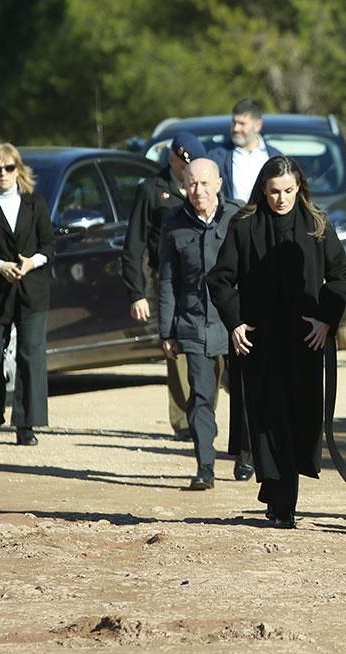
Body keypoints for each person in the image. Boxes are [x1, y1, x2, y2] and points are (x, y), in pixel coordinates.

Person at [207, 156, 346, 528]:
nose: (281, 199)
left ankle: (277, 494)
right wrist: (235, 322)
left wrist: (326, 320)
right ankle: (283, 503)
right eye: (274, 192)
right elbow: (220, 279)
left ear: (299, 188)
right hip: (260, 341)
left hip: (306, 341)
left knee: (299, 419)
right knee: (269, 419)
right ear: (263, 190)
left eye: (289, 190)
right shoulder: (243, 226)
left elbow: (340, 278)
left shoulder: (318, 225)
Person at [159, 158, 240, 490]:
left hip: (235, 322)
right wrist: (167, 331)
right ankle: (205, 465)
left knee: (244, 394)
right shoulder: (174, 224)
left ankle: (246, 452)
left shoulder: (238, 218)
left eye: (205, 183)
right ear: (184, 186)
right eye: (192, 184)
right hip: (193, 322)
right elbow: (166, 282)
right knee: (200, 397)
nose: (198, 190)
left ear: (219, 184)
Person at [122, 130, 206, 442]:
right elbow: (134, 245)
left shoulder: (205, 185)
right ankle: (184, 422)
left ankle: (204, 410)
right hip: (166, 279)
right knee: (177, 348)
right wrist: (137, 292)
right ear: (172, 160)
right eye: (185, 166)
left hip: (202, 279)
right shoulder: (152, 190)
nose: (190, 172)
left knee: (213, 353)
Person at [0, 143, 54, 446]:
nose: (3, 174)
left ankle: (26, 424)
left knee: (30, 356)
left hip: (30, 290)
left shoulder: (35, 204)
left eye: (9, 168)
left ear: (19, 170)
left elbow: (48, 245)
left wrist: (30, 262)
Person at [209, 99, 282, 202]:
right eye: (234, 123)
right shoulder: (217, 157)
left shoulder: (275, 158)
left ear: (257, 125)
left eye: (242, 124)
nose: (236, 129)